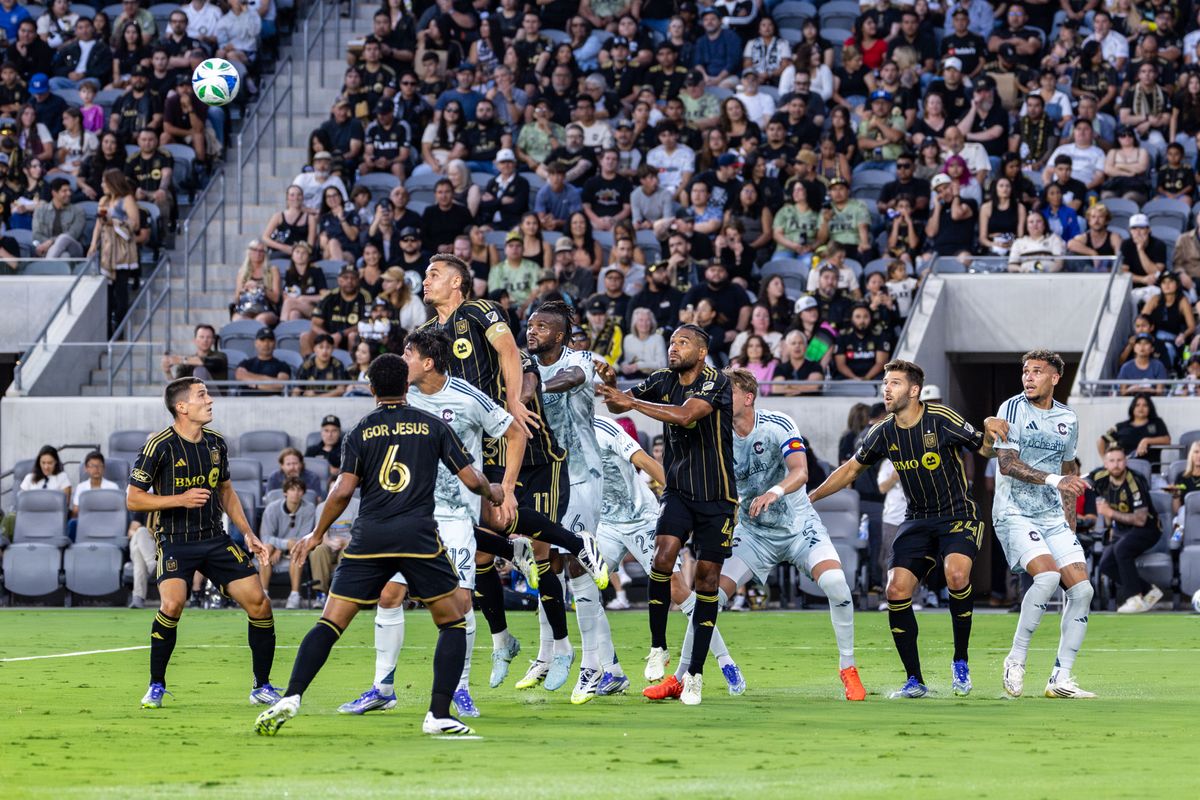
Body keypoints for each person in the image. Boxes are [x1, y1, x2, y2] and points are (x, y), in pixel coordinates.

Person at [252, 353, 503, 737]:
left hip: (369, 538)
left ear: (371, 389)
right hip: (417, 537)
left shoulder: (359, 430)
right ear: (407, 386)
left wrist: (317, 533)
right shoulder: (432, 425)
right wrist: (493, 490)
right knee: (453, 620)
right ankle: (438, 714)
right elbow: (471, 480)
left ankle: (292, 696)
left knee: (331, 621)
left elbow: (342, 491)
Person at [337, 330, 531, 717]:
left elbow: (515, 431)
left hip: (456, 517)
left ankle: (459, 688)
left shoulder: (466, 397)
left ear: (427, 362)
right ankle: (382, 687)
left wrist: (506, 488)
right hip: (410, 517)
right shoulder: (401, 400)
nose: (401, 359)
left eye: (408, 353)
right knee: (389, 595)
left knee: (459, 602)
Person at [808, 359, 998, 699]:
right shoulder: (882, 431)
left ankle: (960, 660)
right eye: (884, 383)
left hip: (958, 515)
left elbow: (983, 448)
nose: (886, 389)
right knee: (895, 591)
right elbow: (850, 470)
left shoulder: (941, 419)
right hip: (917, 519)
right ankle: (914, 679)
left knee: (956, 576)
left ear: (914, 391)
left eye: (894, 383)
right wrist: (811, 497)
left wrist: (989, 427)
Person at [598, 324, 739, 706]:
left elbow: (686, 416)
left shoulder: (716, 382)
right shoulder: (662, 379)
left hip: (718, 496)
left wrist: (632, 404)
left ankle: (694, 673)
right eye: (672, 342)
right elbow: (616, 404)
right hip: (678, 492)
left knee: (708, 581)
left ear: (702, 351)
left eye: (683, 342)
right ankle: (658, 647)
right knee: (662, 557)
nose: (674, 348)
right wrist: (613, 385)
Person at [707, 368, 864, 698]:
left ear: (748, 398)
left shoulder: (777, 423)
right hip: (753, 535)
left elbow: (801, 471)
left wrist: (773, 493)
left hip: (797, 526)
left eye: (728, 392)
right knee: (709, 598)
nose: (721, 398)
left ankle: (848, 668)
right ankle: (700, 670)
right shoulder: (715, 433)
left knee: (836, 585)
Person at [129, 377, 277, 710]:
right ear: (181, 407)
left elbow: (226, 491)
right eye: (202, 395)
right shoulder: (159, 446)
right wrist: (178, 499)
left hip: (213, 538)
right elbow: (133, 499)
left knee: (260, 604)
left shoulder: (216, 443)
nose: (210, 399)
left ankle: (261, 685)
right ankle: (156, 685)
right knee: (173, 605)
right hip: (175, 541)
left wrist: (250, 535)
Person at [527, 301, 623, 702]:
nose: (533, 331)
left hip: (582, 474)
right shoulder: (522, 366)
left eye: (543, 327)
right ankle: (562, 657)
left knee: (576, 562)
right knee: (544, 565)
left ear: (561, 335)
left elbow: (570, 378)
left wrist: (528, 391)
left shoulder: (581, 357)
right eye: (530, 325)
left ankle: (590, 667)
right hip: (544, 477)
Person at [985, 350, 1096, 699]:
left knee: (1082, 590)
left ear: (1055, 378)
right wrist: (1055, 482)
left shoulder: (1068, 418)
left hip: (1052, 517)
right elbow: (1006, 464)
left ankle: (1061, 678)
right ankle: (1015, 660)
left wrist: (1070, 524)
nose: (1028, 377)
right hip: (1014, 510)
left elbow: (1068, 474)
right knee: (1047, 576)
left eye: (1037, 372)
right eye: (1025, 372)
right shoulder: (1011, 408)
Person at [1090, 444, 1164, 614]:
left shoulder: (1135, 481)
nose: (1116, 464)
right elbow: (1087, 479)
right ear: (1106, 464)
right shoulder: (1101, 475)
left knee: (1121, 549)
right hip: (1123, 530)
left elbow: (1140, 519)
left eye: (1120, 460)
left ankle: (1135, 598)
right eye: (1112, 461)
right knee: (1105, 565)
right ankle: (1149, 591)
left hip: (1148, 528)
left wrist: (1109, 512)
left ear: (1126, 462)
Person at [87, 167, 140, 335]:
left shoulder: (127, 199)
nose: (102, 185)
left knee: (120, 291)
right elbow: (98, 223)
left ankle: (120, 327)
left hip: (122, 249)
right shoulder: (103, 200)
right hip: (107, 249)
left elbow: (135, 224)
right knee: (107, 292)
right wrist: (93, 244)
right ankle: (107, 329)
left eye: (105, 181)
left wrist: (114, 221)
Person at [258, 477, 317, 609]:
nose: (295, 493)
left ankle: (294, 595)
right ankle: (264, 594)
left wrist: (281, 548)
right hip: (274, 550)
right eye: (292, 489)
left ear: (303, 493)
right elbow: (265, 537)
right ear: (285, 492)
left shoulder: (309, 508)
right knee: (266, 549)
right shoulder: (271, 509)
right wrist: (282, 546)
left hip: (296, 549)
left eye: (299, 490)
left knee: (297, 552)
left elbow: (304, 537)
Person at [1098, 393, 1171, 461]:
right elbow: (1101, 440)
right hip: (1124, 470)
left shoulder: (1156, 422)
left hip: (1150, 470)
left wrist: (1146, 441)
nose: (1141, 408)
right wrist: (1105, 460)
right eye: (1137, 405)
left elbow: (1167, 440)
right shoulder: (1121, 426)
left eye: (1145, 405)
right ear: (1132, 408)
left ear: (1150, 408)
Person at [31, 176, 85, 258]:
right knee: (65, 256)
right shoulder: (40, 211)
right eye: (64, 191)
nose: (69, 194)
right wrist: (50, 245)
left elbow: (73, 234)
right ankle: (49, 268)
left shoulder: (78, 211)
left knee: (63, 238)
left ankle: (46, 266)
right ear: (54, 193)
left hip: (73, 248)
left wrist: (50, 242)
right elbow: (36, 234)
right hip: (50, 250)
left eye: (69, 190)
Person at [834, 304, 890, 382]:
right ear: (851, 319)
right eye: (858, 317)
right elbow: (840, 365)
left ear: (871, 318)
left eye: (866, 317)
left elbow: (881, 363)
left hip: (875, 378)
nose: (862, 321)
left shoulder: (880, 336)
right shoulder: (843, 337)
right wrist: (854, 378)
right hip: (848, 378)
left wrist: (866, 378)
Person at [161, 323, 227, 383]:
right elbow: (176, 387)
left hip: (215, 394)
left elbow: (211, 362)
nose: (205, 340)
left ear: (213, 340)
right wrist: (167, 372)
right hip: (192, 395)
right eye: (201, 337)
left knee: (200, 371)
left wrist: (182, 360)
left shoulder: (221, 356)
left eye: (208, 337)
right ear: (195, 340)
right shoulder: (186, 363)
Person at [233, 327, 291, 395]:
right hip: (245, 403)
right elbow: (240, 376)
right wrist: (268, 382)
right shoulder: (245, 363)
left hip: (271, 403)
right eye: (262, 340)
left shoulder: (283, 365)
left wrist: (254, 383)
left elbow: (280, 385)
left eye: (270, 340)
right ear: (255, 343)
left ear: (275, 343)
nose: (266, 344)